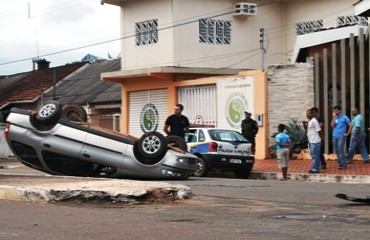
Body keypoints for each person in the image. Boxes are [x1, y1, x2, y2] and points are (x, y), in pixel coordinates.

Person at [331, 105, 352, 169]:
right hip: (334, 135)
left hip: (341, 136)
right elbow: (332, 125)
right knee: (336, 150)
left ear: (340, 110)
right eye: (334, 111)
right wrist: (334, 117)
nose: (335, 112)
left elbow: (350, 125)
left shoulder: (345, 117)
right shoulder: (335, 118)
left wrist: (347, 133)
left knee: (340, 150)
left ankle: (343, 164)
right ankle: (341, 163)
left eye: (336, 111)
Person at [306, 108, 323, 173]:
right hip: (311, 141)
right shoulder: (310, 121)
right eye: (306, 114)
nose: (307, 115)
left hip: (315, 141)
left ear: (312, 114)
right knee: (314, 155)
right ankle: (316, 167)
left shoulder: (314, 121)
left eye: (308, 113)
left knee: (315, 155)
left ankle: (315, 169)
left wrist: (322, 138)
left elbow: (319, 130)